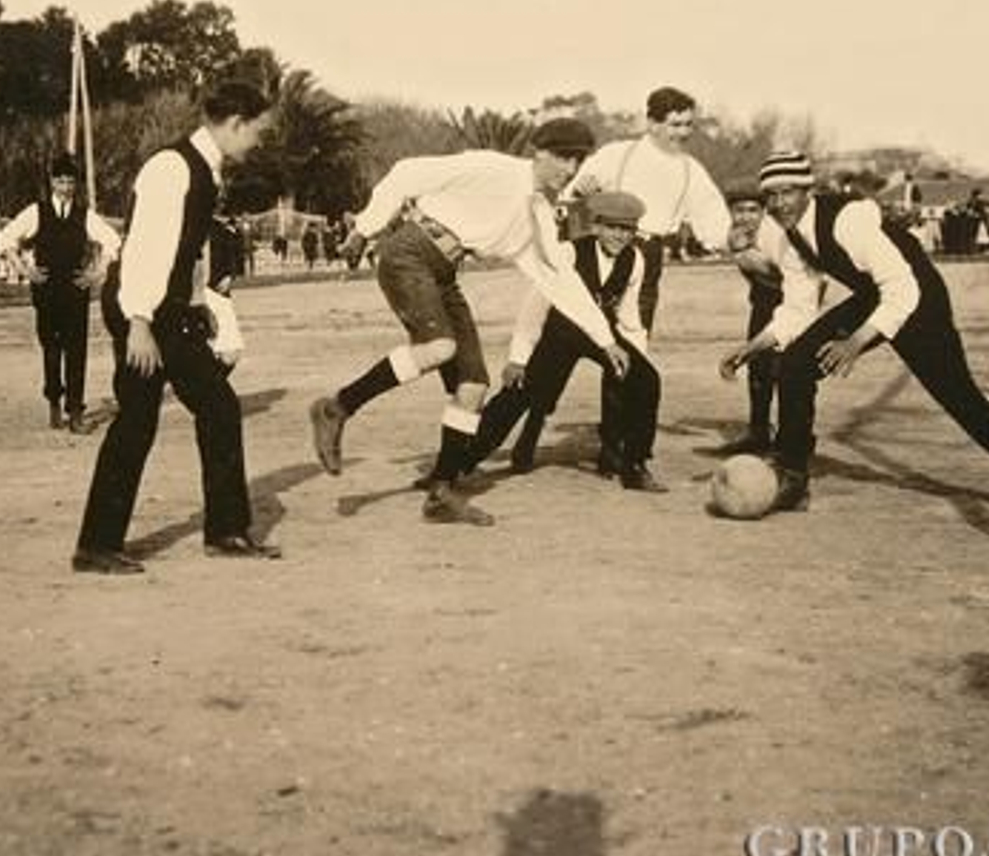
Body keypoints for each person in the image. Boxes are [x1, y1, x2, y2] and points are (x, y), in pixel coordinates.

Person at [723, 151, 989, 531]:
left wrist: (856, 342)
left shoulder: (849, 218)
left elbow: (901, 289)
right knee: (795, 363)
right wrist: (753, 347)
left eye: (788, 192)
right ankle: (793, 476)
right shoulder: (787, 234)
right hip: (874, 296)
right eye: (772, 196)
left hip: (918, 297)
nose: (780, 204)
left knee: (964, 402)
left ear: (807, 190)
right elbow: (798, 308)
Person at [308, 118, 628, 527]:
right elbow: (407, 173)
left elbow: (559, 280)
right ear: (540, 152)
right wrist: (365, 229)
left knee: (473, 386)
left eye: (578, 161)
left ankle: (442, 492)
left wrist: (604, 339)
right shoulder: (492, 167)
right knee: (441, 347)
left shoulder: (540, 214)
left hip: (443, 272)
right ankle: (337, 407)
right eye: (564, 157)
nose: (569, 170)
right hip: (410, 252)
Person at [73, 82, 279, 574]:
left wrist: (196, 305)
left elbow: (184, 254)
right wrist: (138, 323)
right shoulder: (171, 168)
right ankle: (96, 545)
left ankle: (227, 531)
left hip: (169, 312)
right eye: (257, 131)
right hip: (139, 309)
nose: (258, 142)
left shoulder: (206, 168)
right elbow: (147, 249)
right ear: (234, 123)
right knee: (137, 420)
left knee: (219, 407)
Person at [462, 191, 664, 490]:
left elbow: (629, 314)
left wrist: (636, 358)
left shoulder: (635, 260)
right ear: (595, 226)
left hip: (603, 334)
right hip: (560, 331)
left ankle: (633, 463)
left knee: (646, 379)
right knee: (520, 391)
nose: (619, 236)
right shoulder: (567, 252)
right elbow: (534, 308)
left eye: (627, 230)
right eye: (612, 227)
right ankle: (461, 461)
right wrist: (518, 358)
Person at [564, 86, 731, 333]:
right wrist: (579, 194)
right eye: (675, 125)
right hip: (601, 250)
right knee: (568, 335)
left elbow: (715, 220)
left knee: (635, 344)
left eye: (688, 125)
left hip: (648, 256)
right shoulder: (617, 155)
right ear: (652, 123)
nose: (683, 133)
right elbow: (569, 202)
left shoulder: (690, 170)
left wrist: (732, 240)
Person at [0, 152, 123, 434]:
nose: (66, 187)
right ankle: (54, 402)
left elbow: (112, 241)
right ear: (52, 182)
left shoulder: (84, 215)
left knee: (76, 351)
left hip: (75, 290)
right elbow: (6, 238)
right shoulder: (36, 212)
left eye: (70, 182)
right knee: (51, 350)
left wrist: (96, 272)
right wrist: (24, 270)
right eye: (61, 181)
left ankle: (75, 411)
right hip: (46, 290)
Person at [717, 176, 790, 455]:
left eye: (752, 210)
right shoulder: (735, 233)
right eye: (739, 210)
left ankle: (788, 439)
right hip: (763, 301)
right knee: (758, 368)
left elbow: (783, 275)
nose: (745, 216)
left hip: (790, 303)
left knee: (784, 369)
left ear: (763, 211)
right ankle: (758, 432)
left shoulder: (774, 233)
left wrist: (745, 253)